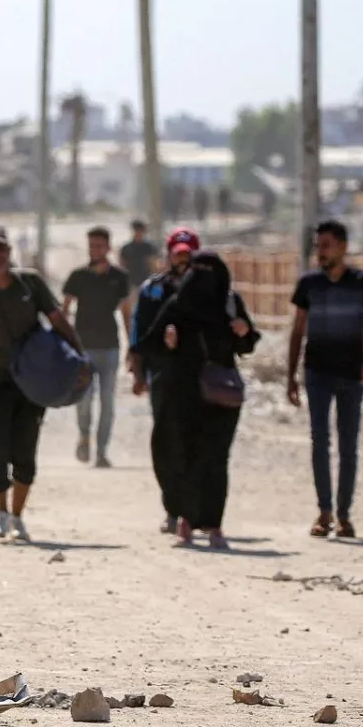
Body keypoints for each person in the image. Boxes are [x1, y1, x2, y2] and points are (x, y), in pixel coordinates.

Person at [0, 226, 83, 541]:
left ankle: (18, 516)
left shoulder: (31, 283)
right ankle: (0, 512)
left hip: (31, 381)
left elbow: (58, 319)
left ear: (8, 252)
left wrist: (79, 360)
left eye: (1, 249)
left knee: (25, 448)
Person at [137, 251, 260, 549]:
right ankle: (186, 521)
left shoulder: (229, 304)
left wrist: (243, 332)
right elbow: (149, 343)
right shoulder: (177, 307)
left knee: (216, 459)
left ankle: (214, 524)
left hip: (220, 394)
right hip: (184, 393)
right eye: (197, 271)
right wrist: (167, 343)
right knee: (186, 456)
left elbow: (247, 343)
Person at [286, 219, 363, 538]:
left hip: (351, 374)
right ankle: (324, 511)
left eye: (326, 245)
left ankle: (344, 515)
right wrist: (290, 377)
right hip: (317, 373)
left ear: (342, 246)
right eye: (318, 246)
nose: (321, 252)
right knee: (319, 442)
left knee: (348, 446)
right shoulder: (308, 284)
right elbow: (298, 330)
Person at [130, 227, 197, 534]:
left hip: (198, 376)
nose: (182, 258)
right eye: (178, 252)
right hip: (162, 374)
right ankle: (172, 508)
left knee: (194, 442)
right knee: (166, 442)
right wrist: (138, 370)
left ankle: (193, 509)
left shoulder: (208, 289)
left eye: (188, 253)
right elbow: (139, 331)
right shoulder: (153, 289)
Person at [62, 227, 132, 467]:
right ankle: (84, 436)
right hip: (83, 348)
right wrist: (62, 341)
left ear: (108, 248)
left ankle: (102, 450)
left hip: (110, 346)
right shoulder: (78, 276)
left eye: (100, 246)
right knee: (83, 399)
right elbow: (64, 309)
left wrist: (132, 345)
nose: (95, 250)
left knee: (107, 401)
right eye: (92, 246)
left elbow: (126, 313)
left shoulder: (119, 277)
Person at [119, 220, 157, 290]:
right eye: (136, 230)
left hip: (146, 282)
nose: (138, 233)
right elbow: (122, 266)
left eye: (140, 231)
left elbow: (153, 266)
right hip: (130, 283)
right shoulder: (126, 248)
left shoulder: (149, 248)